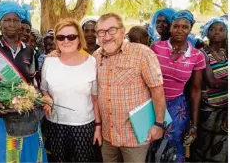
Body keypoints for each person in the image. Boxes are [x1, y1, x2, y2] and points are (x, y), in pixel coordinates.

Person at [46, 12, 166, 162]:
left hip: (135, 135)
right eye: (101, 32)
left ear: (122, 31)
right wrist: (57, 54)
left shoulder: (142, 53)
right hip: (108, 135)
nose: (107, 36)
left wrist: (159, 124)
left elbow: (157, 90)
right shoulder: (95, 57)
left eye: (112, 30)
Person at [0, 1, 47, 163]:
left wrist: (37, 98)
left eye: (15, 20)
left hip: (25, 111)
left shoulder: (28, 51)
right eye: (7, 20)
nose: (11, 24)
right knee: (7, 155)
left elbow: (31, 82)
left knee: (30, 154)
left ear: (20, 24)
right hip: (2, 112)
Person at [40, 19, 102, 162]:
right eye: (61, 37)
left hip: (84, 125)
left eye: (71, 36)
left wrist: (98, 126)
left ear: (79, 38)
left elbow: (95, 98)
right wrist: (46, 97)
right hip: (55, 124)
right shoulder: (49, 62)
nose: (66, 41)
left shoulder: (91, 62)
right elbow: (44, 90)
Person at [151, 10, 206, 162]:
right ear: (170, 28)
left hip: (177, 108)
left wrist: (194, 124)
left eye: (185, 27)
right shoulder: (156, 48)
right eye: (176, 26)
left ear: (190, 29)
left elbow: (195, 90)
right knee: (150, 145)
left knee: (173, 150)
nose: (180, 30)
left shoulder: (197, 55)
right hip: (152, 104)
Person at [190, 17, 228, 162]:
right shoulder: (202, 53)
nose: (216, 32)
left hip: (225, 107)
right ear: (206, 32)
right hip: (210, 108)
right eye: (212, 29)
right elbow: (212, 82)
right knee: (204, 145)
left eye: (221, 29)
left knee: (220, 145)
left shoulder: (225, 53)